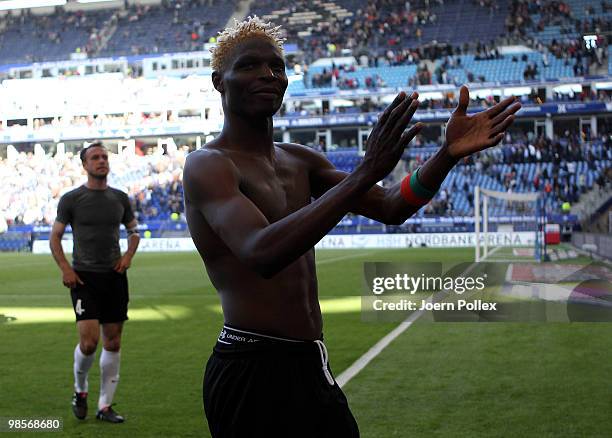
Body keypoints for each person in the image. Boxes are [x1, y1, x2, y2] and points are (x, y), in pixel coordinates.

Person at [183, 16, 521, 438]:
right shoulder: (208, 165)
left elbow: (392, 206)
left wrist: (447, 155)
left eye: (277, 67)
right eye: (249, 65)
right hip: (251, 367)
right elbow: (260, 252)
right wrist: (364, 173)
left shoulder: (299, 160)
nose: (268, 75)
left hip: (310, 362)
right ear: (219, 81)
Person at [49, 142, 140, 424]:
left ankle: (104, 406)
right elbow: (55, 237)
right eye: (95, 158)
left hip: (114, 277)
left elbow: (134, 231)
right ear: (84, 164)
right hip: (84, 278)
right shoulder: (71, 199)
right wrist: (65, 268)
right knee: (89, 343)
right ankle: (80, 390)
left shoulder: (120, 198)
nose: (101, 161)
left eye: (104, 157)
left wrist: (128, 255)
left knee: (112, 341)